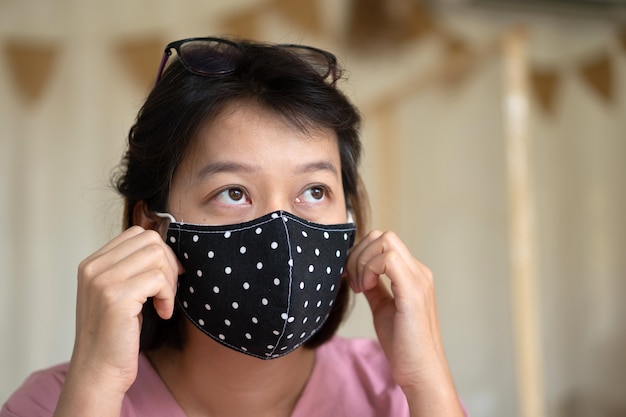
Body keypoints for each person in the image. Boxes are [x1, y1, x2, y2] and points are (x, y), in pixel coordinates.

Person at [1, 37, 467, 417]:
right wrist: (97, 381)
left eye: (315, 191)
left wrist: (426, 380)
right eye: (234, 192)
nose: (282, 229)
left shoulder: (400, 396)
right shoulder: (56, 402)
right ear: (152, 224)